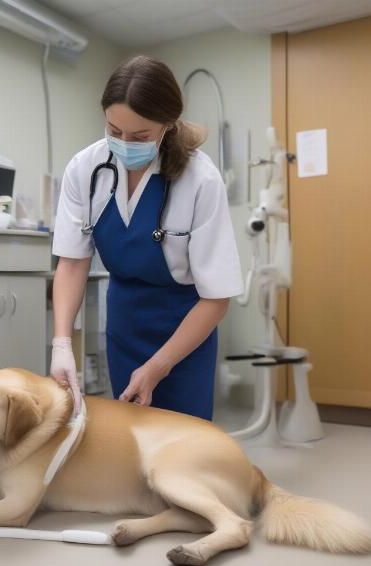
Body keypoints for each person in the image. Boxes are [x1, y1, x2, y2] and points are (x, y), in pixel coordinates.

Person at [50, 55, 244, 421]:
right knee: (131, 440)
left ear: (168, 126)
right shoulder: (85, 168)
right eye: (113, 130)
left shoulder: (200, 179)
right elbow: (73, 262)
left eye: (139, 136)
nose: (123, 144)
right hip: (124, 321)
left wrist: (158, 365)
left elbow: (217, 298)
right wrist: (62, 343)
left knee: (184, 447)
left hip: (185, 329)